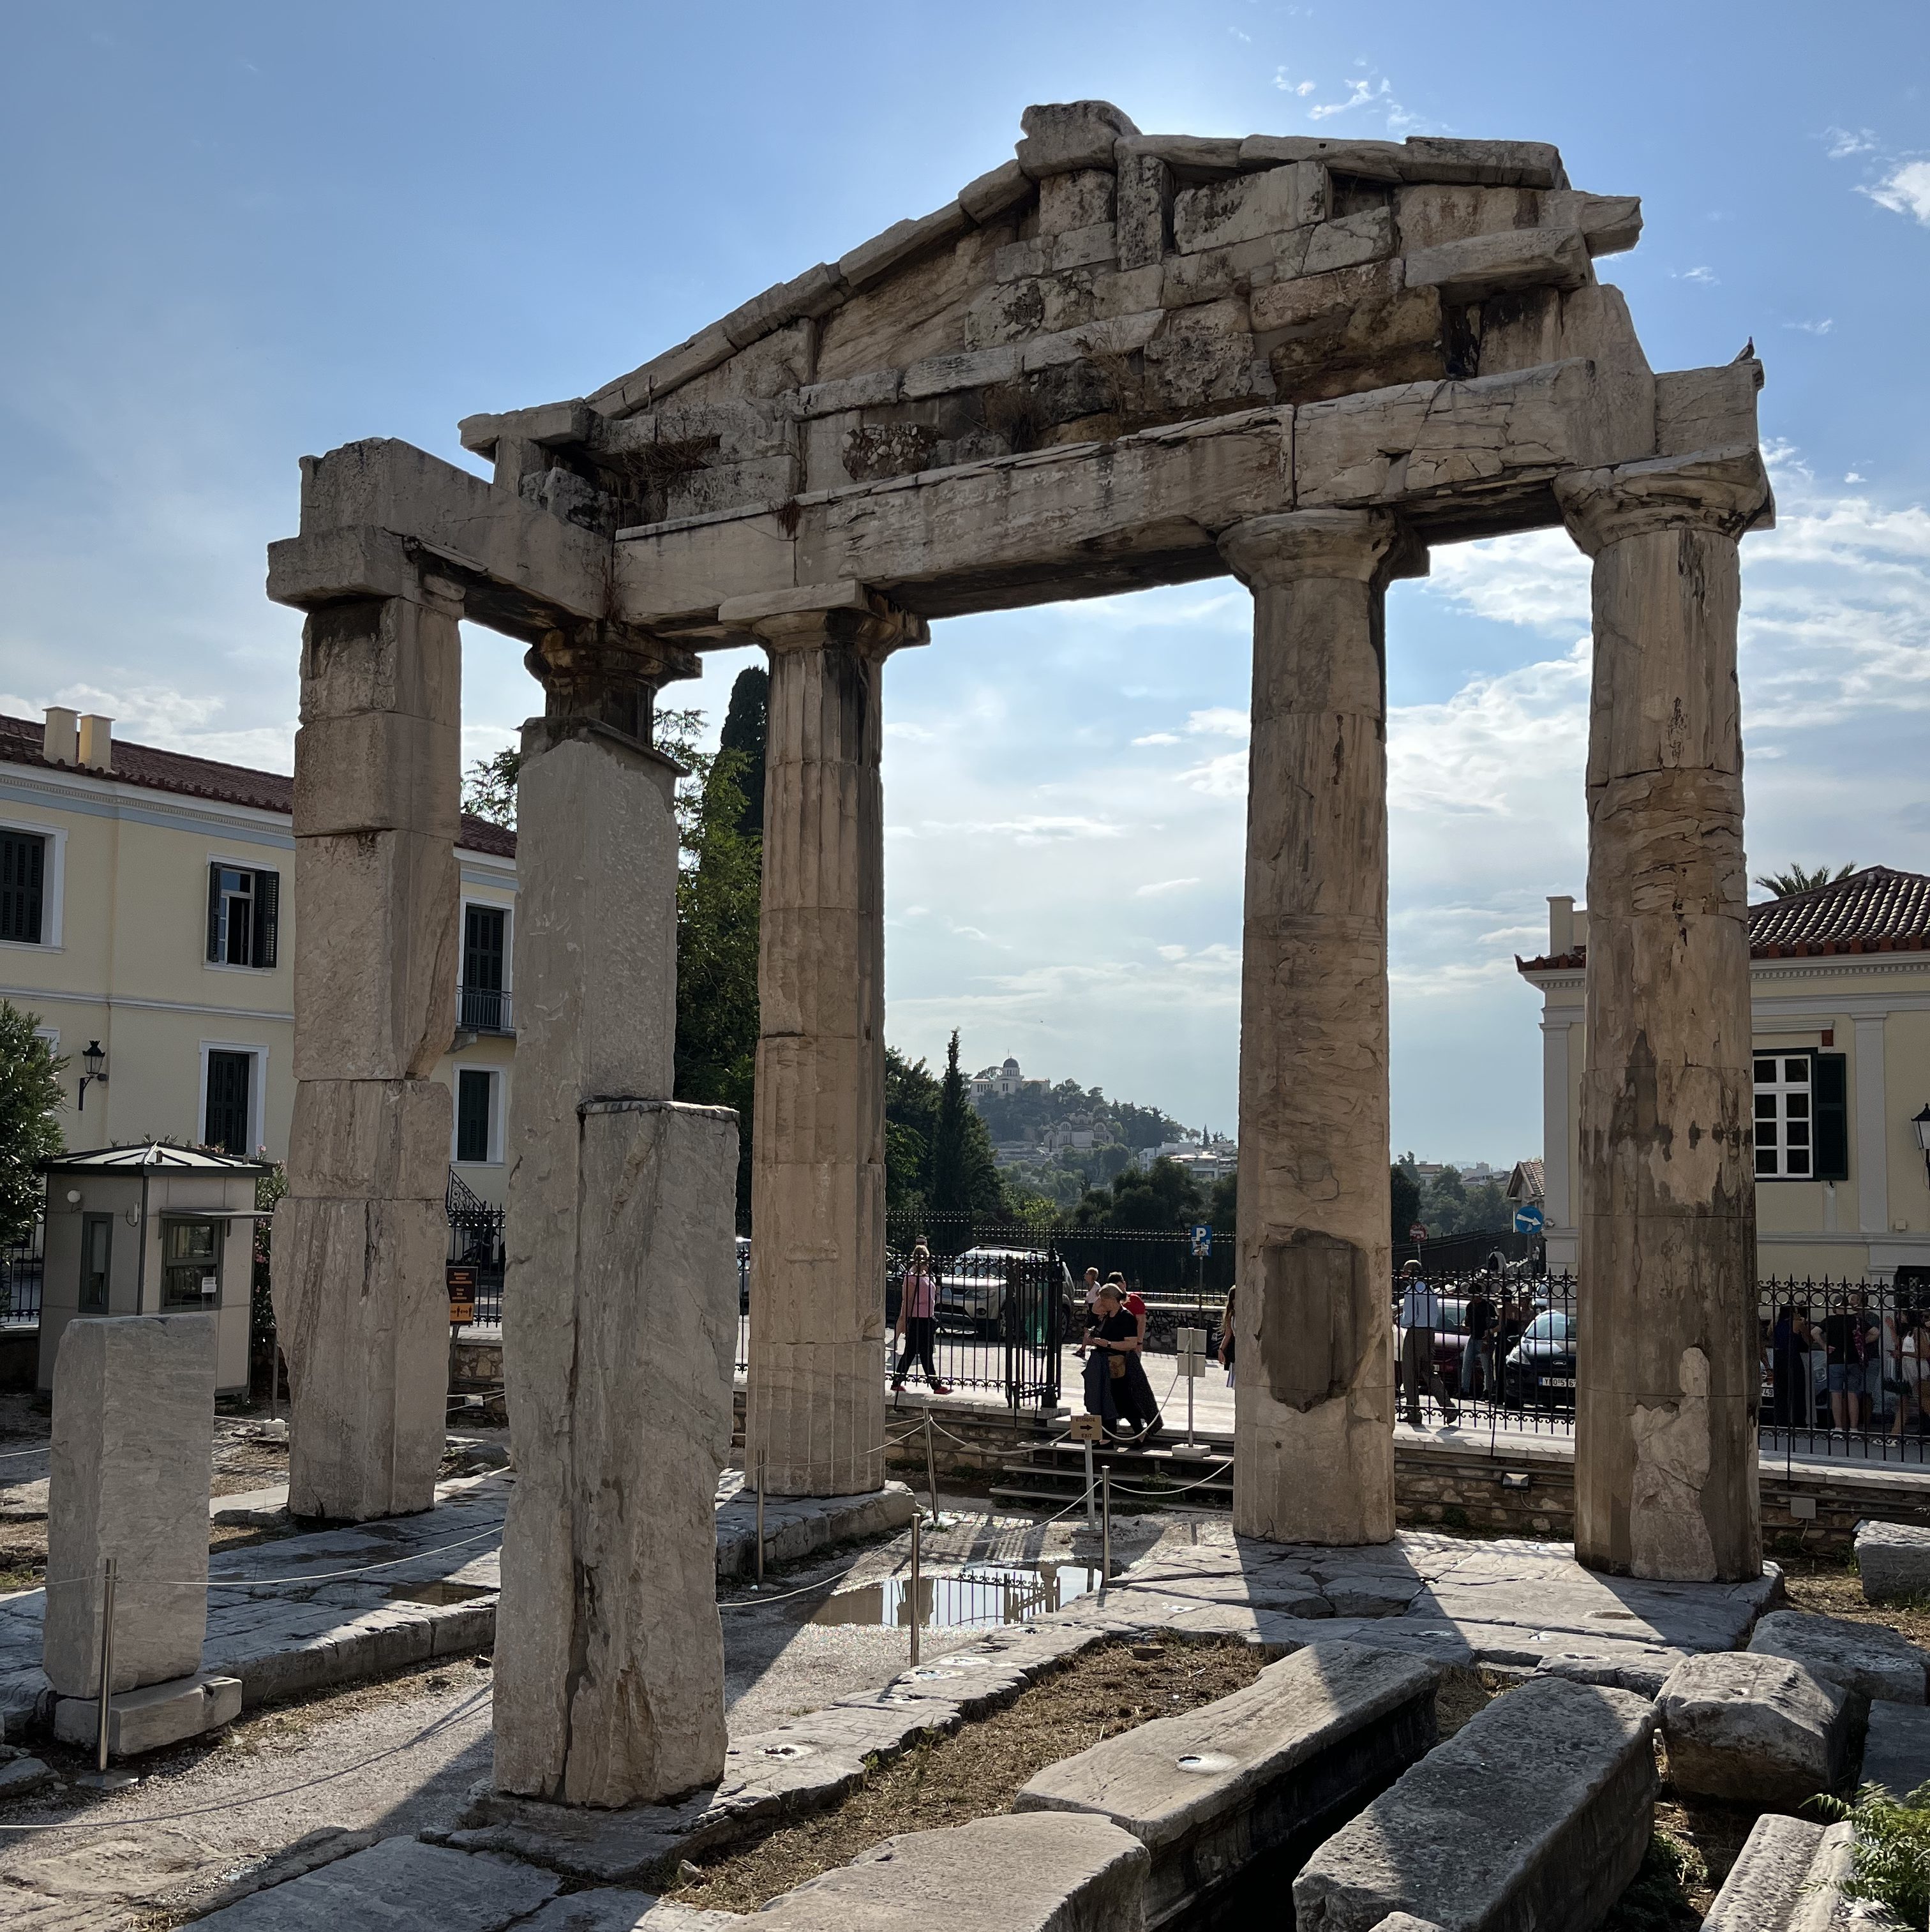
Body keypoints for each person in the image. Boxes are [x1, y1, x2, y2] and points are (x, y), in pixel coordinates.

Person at [1398, 1259, 1459, 1427]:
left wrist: (1401, 1321)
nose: (1403, 1275)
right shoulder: (1430, 1290)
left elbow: (1410, 1317)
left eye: (1405, 1271)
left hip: (1416, 1333)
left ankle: (1413, 1411)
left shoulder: (1411, 1291)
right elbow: (1434, 1314)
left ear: (1411, 1273)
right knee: (1428, 1371)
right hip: (1429, 1333)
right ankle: (1448, 1407)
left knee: (1409, 1372)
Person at [891, 1243, 951, 1395]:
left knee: (920, 1352)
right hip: (917, 1318)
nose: (925, 1262)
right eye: (923, 1259)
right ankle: (935, 1385)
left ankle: (898, 1382)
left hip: (927, 1318)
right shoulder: (911, 1277)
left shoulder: (927, 1276)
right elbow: (907, 1300)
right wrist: (904, 1320)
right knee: (919, 1351)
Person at [1081, 1283, 1139, 1440]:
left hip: (1116, 1364)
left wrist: (1108, 1344)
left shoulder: (1126, 1318)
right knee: (1102, 1400)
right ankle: (1107, 1438)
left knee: (1121, 1401)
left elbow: (1132, 1343)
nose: (1101, 1302)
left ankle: (1140, 1433)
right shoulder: (1106, 1316)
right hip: (1101, 1364)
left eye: (1104, 1299)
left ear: (1112, 1300)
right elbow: (1095, 1308)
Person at [1822, 1289, 1881, 1434]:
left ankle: (1861, 1425)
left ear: (1861, 1302)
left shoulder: (1871, 1317)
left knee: (1864, 1392)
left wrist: (1859, 1344)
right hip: (1855, 1359)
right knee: (1852, 1393)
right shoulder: (1853, 1318)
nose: (1851, 1302)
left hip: (1869, 1358)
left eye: (1854, 1299)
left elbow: (1872, 1334)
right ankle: (1849, 1426)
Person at [1462, 1259, 1499, 1400]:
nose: (1472, 1297)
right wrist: (1465, 1327)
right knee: (1467, 1364)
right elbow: (1468, 1322)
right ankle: (1464, 1389)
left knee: (1486, 1367)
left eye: (1474, 1295)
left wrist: (1487, 1339)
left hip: (1485, 1339)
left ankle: (1487, 1391)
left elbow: (1493, 1323)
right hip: (1473, 1337)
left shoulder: (1488, 1306)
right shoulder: (1470, 1306)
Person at [1218, 1284, 1236, 1386]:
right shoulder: (1231, 1315)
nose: (1234, 1301)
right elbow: (1228, 1334)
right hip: (1236, 1351)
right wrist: (1221, 1350)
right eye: (1233, 1298)